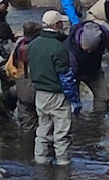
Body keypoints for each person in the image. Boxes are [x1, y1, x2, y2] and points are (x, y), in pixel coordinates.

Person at [28, 10, 81, 166]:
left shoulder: (33, 45)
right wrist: (74, 99)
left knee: (43, 129)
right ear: (57, 25)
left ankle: (40, 159)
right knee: (62, 132)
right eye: (62, 23)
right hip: (57, 94)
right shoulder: (58, 47)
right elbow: (66, 76)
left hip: (39, 93)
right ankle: (63, 162)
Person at [66, 21, 109, 112]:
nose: (89, 52)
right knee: (70, 101)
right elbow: (68, 77)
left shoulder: (103, 34)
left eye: (92, 49)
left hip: (93, 70)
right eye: (87, 50)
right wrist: (73, 98)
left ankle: (98, 119)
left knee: (104, 96)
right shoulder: (71, 49)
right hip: (74, 73)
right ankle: (75, 121)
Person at [6, 22, 41, 132]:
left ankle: (25, 147)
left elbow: (9, 69)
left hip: (22, 90)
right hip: (39, 89)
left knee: (27, 126)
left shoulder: (18, 45)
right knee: (45, 125)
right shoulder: (40, 46)